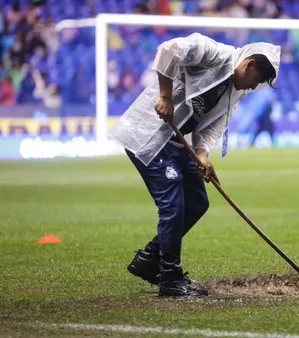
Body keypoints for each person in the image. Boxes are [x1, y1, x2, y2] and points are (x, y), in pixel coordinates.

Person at [109, 33, 281, 297]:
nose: (251, 88)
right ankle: (170, 278)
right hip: (150, 136)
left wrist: (202, 154)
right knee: (173, 204)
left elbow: (214, 126)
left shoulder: (235, 91)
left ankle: (149, 259)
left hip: (178, 144)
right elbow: (168, 49)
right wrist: (165, 96)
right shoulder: (213, 53)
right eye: (255, 81)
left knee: (198, 202)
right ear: (249, 65)